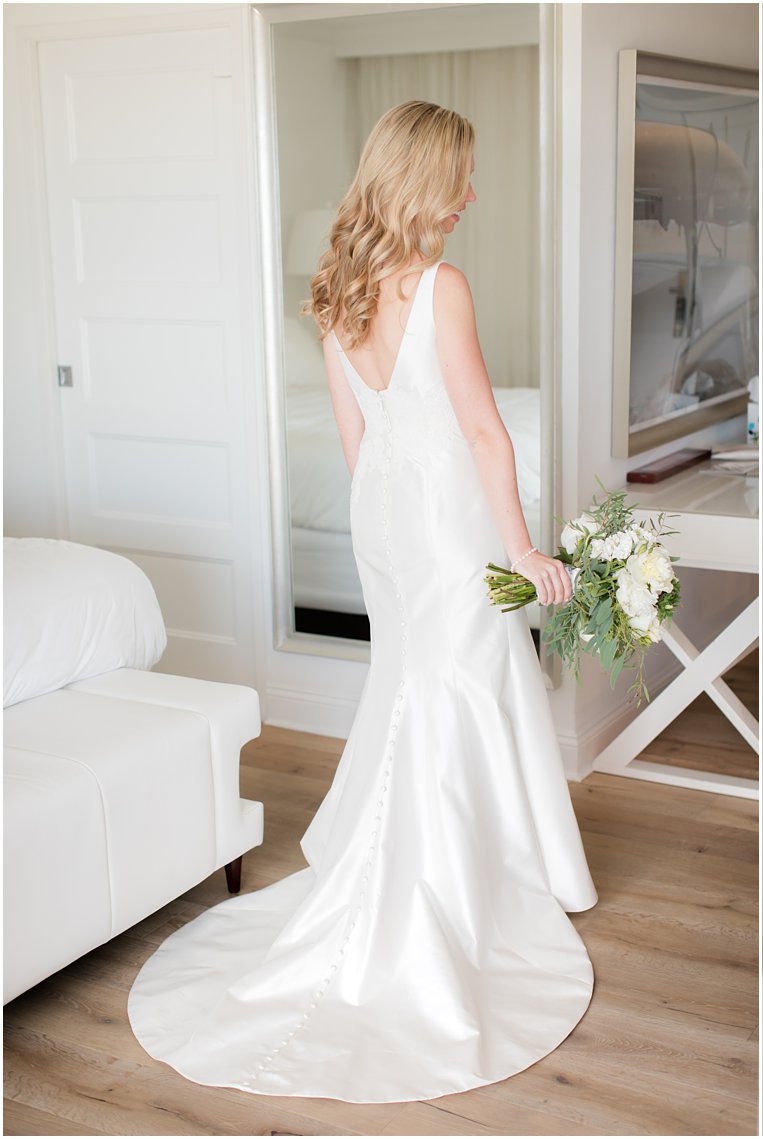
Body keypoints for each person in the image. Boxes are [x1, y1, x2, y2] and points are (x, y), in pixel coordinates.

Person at [128, 101, 598, 1103]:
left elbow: (355, 438)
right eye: (462, 176)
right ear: (425, 178)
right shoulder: (440, 286)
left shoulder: (335, 288)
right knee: (458, 682)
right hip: (444, 519)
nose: (472, 194)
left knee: (421, 680)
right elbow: (482, 432)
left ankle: (471, 858)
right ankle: (449, 883)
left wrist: (385, 526)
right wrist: (518, 544)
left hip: (385, 515)